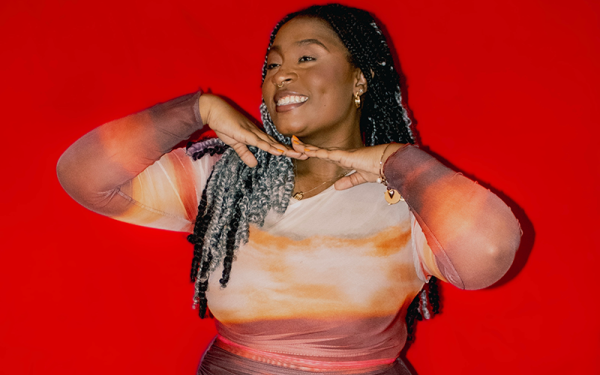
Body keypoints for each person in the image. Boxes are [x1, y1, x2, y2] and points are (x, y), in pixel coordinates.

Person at [56, 4, 521, 374]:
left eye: (306, 57)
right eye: (273, 63)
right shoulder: (228, 175)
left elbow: (489, 255)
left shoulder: (408, 196)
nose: (281, 74)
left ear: (360, 78)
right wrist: (195, 110)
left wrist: (395, 162)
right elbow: (84, 176)